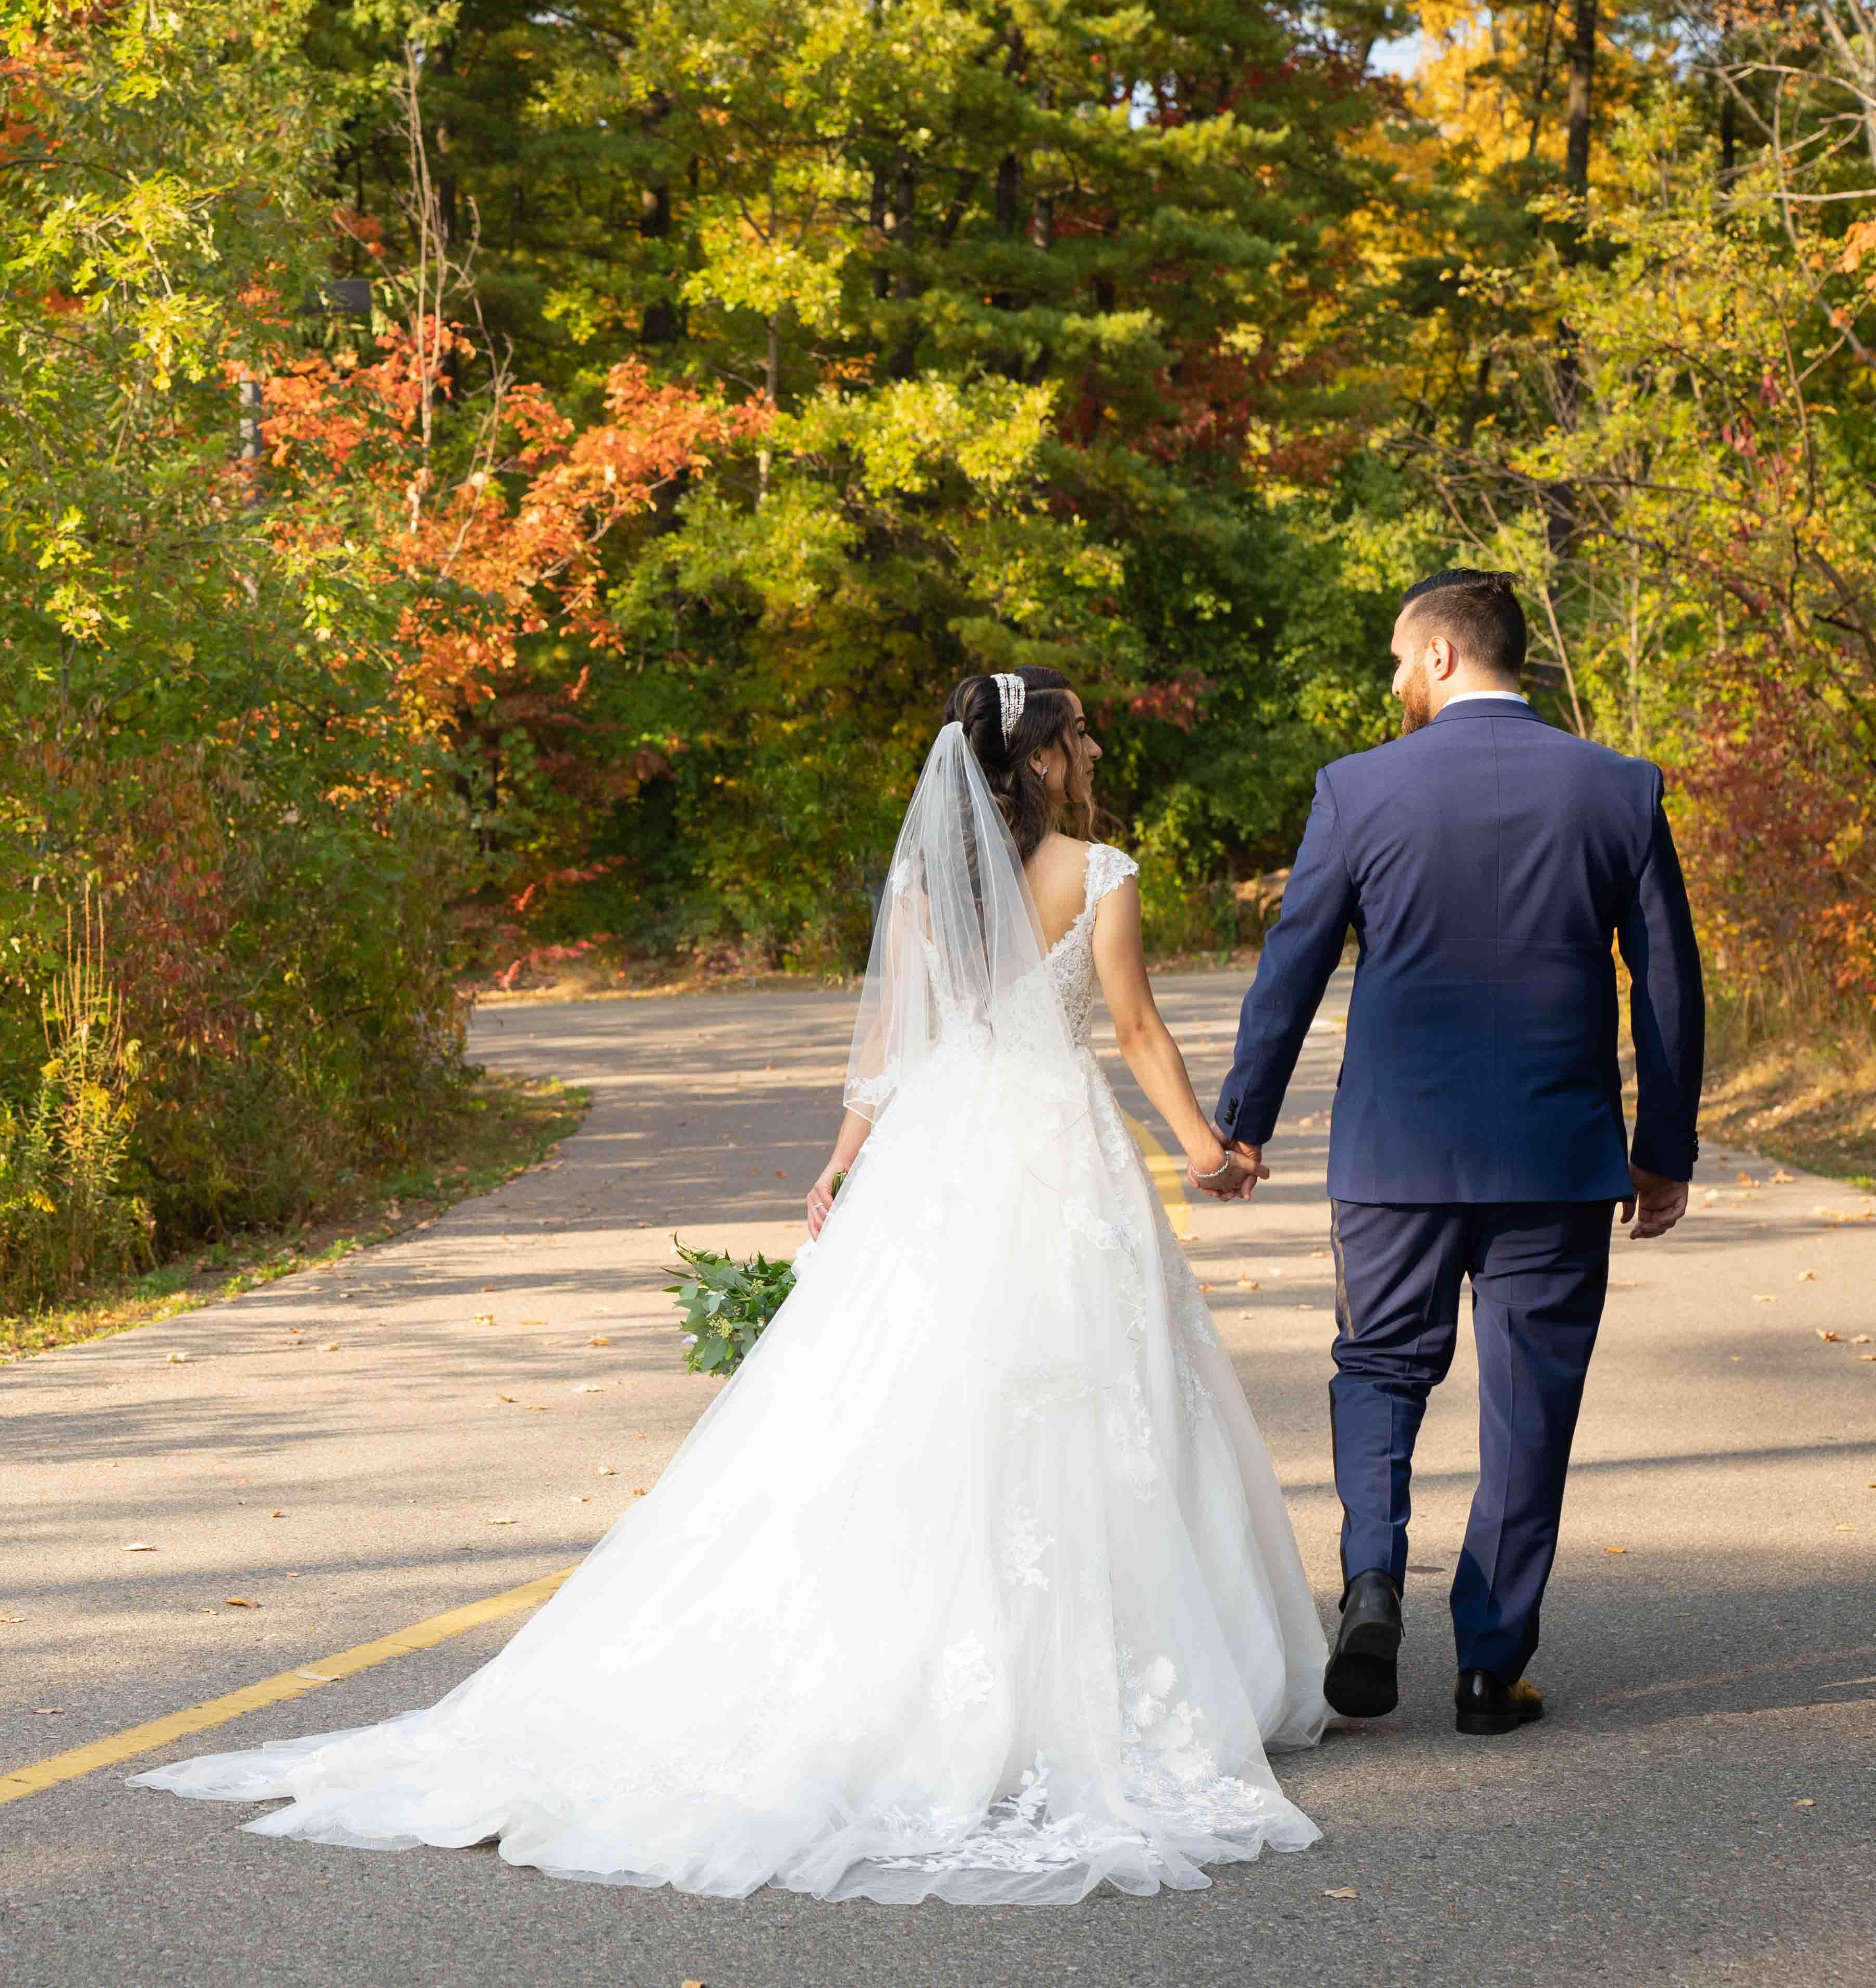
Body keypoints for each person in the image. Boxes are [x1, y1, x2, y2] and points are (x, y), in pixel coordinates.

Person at [133, 666, 1332, 1905]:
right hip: (1054, 1154)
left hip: (940, 1156)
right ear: (1040, 760)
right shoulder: (1102, 872)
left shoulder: (930, 880)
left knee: (904, 1405)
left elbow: (894, 1042)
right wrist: (1201, 1147)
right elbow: (1135, 1030)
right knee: (1089, 1393)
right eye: (1077, 734)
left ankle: (937, 1667)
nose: (1089, 749)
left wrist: (842, 1164)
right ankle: (1109, 1672)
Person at [1207, 568, 1703, 1735]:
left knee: (1379, 1366)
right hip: (1557, 1154)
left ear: (1440, 655)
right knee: (1530, 1403)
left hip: (1395, 1153)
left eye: (1395, 658)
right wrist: (1662, 1143)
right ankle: (1491, 1664)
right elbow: (1668, 985)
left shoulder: (1357, 789)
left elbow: (1293, 963)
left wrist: (1244, 1120)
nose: (1390, 680)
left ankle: (1373, 1576)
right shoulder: (1619, 789)